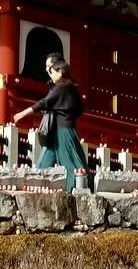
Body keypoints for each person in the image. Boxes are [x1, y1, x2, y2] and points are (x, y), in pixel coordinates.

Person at [13, 54, 88, 193]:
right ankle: (37, 188)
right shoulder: (70, 87)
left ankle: (74, 192)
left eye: (50, 68)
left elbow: (44, 102)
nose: (47, 71)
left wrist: (22, 113)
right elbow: (80, 109)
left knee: (70, 165)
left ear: (60, 70)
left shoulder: (62, 87)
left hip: (62, 131)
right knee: (44, 163)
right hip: (57, 130)